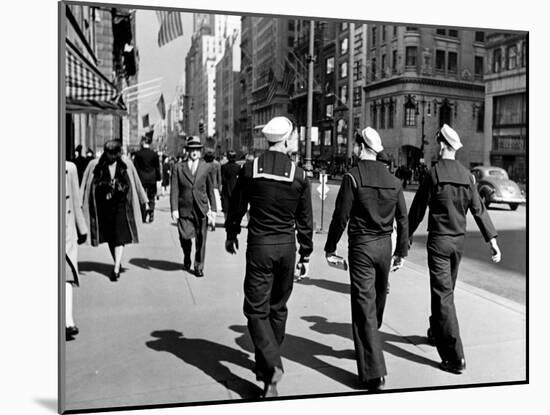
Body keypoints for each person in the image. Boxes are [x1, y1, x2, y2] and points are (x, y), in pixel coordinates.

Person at [224, 116, 313, 398]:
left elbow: (237, 206)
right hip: (287, 248)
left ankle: (271, 365)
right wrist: (306, 255)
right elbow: (305, 220)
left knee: (254, 309)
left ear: (267, 139)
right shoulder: (299, 175)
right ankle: (267, 373)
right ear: (286, 140)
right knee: (278, 308)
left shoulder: (251, 170)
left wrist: (231, 234)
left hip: (260, 246)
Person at [408, 124, 502, 374]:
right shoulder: (467, 176)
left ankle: (455, 356)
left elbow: (418, 209)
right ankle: (435, 330)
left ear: (441, 145)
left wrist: (403, 238)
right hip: (458, 244)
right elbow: (479, 209)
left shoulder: (433, 173)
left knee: (443, 296)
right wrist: (491, 240)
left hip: (439, 242)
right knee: (445, 292)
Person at [324, 126, 408, 391]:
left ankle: (373, 373)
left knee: (364, 307)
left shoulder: (353, 176)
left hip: (361, 247)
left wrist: (330, 247)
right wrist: (401, 252)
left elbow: (341, 216)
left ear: (361, 147)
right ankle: (368, 345)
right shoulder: (393, 180)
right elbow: (402, 218)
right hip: (385, 246)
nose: (353, 149)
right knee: (378, 300)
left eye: (354, 144)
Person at [81, 140, 148, 281]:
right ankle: (116, 261)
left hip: (122, 206)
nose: (111, 157)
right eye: (109, 153)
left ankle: (116, 268)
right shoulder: (95, 164)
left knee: (119, 236)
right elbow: (85, 184)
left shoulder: (126, 164)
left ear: (118, 153)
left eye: (113, 153)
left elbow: (136, 181)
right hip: (104, 207)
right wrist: (80, 202)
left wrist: (144, 200)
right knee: (111, 237)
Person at [170, 136, 218, 277]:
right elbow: (174, 189)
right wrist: (174, 208)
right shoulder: (178, 167)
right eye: (192, 149)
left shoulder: (207, 167)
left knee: (201, 238)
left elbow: (211, 189)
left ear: (200, 151)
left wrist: (213, 209)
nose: (194, 152)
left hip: (201, 207)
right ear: (187, 151)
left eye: (197, 149)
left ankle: (198, 266)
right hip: (184, 207)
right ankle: (186, 255)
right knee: (184, 236)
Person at [65, 161, 88, 340]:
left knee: (66, 277)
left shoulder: (70, 168)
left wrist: (82, 229)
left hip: (65, 233)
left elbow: (75, 201)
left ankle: (68, 321)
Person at [133, 131, 161, 223]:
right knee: (151, 196)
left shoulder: (138, 154)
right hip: (152, 178)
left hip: (141, 178)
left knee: (142, 197)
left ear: (143, 143)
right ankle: (151, 212)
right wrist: (159, 178)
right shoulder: (154, 154)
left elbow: (136, 168)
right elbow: (157, 167)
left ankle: (143, 214)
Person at [203, 148, 222, 231]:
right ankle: (213, 222)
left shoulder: (204, 164)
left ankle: (208, 221)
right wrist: (219, 187)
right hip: (215, 187)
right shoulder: (217, 164)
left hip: (205, 187)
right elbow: (219, 177)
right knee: (214, 205)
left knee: (206, 204)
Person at [220, 150, 240, 219]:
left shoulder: (224, 167)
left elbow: (222, 179)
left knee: (226, 206)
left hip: (226, 188)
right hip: (236, 188)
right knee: (235, 205)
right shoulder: (238, 167)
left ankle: (226, 220)